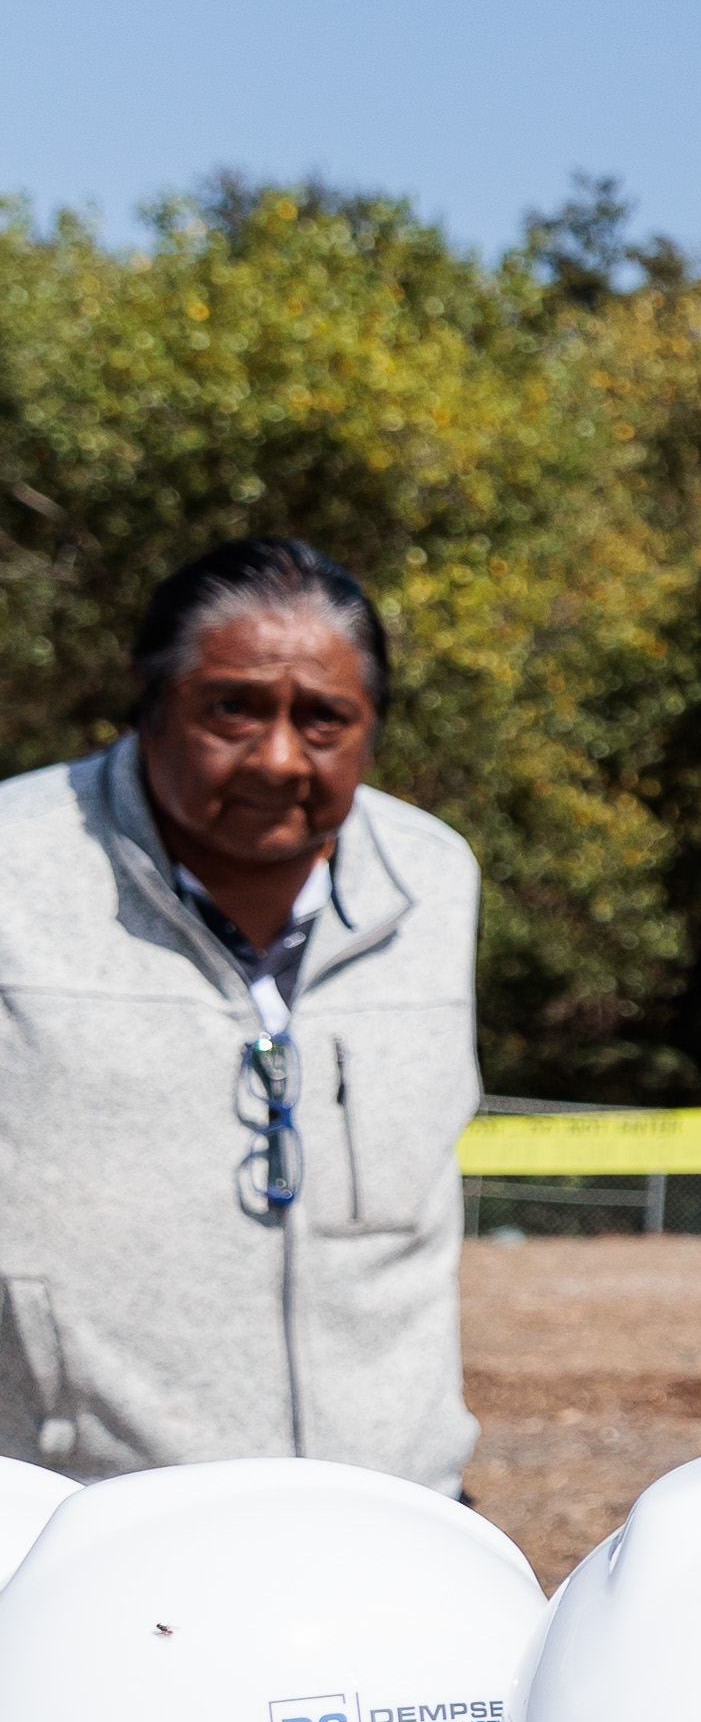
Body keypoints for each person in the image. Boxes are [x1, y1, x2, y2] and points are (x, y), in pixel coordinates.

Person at [0, 538, 486, 1486]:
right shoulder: (13, 871)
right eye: (232, 708)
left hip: (389, 1509)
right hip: (81, 1524)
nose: (275, 757)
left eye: (323, 719)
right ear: (150, 704)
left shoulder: (435, 877)